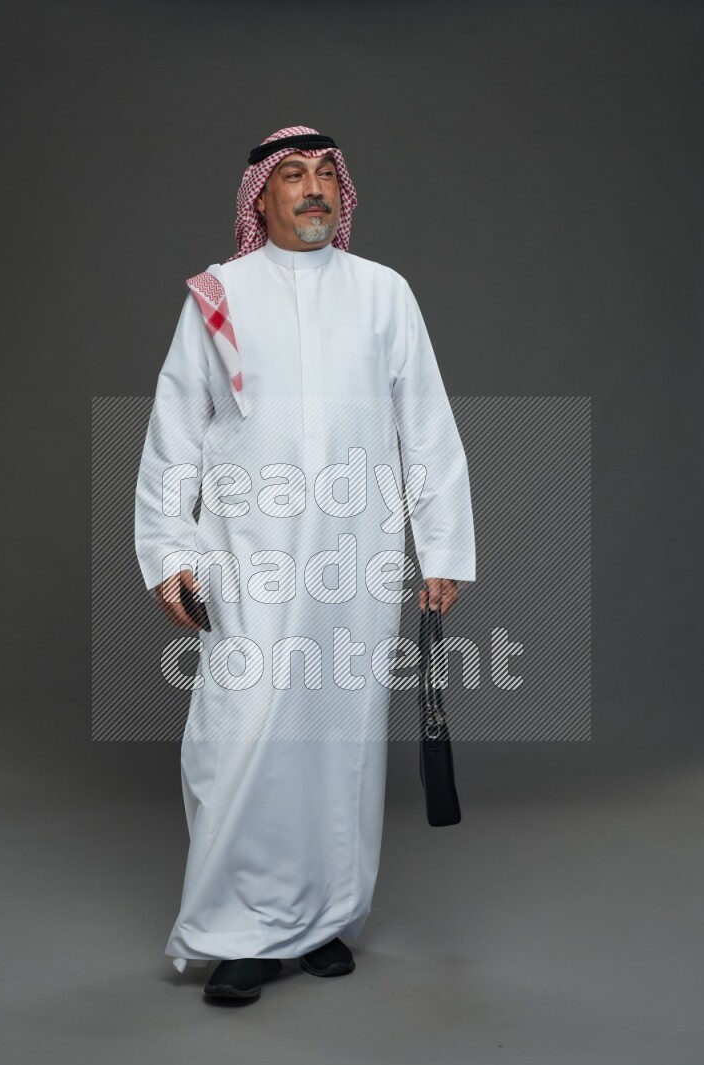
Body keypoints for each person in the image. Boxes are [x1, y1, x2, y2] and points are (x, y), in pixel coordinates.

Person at [134, 125, 477, 1002]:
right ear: (261, 198)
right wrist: (170, 552)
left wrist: (440, 548)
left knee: (342, 741)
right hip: (249, 557)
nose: (315, 188)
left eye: (327, 174)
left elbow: (426, 427)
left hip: (357, 560)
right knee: (243, 733)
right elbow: (175, 434)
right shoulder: (218, 296)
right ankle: (239, 928)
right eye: (294, 176)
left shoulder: (384, 294)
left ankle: (326, 917)